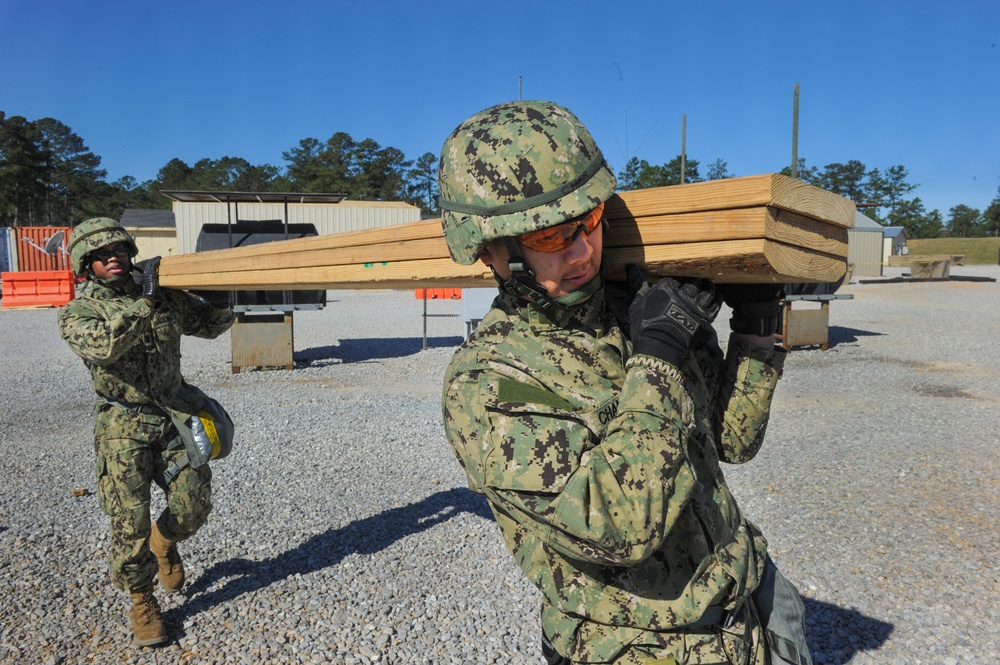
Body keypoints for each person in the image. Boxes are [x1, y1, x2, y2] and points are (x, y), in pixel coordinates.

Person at [438, 101, 812, 665]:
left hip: (752, 604)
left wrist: (756, 329)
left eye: (590, 221)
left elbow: (733, 441)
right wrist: (657, 359)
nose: (585, 250)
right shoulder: (487, 383)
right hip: (641, 648)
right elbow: (619, 527)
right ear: (491, 249)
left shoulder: (635, 310)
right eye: (552, 237)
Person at [58, 217, 235, 647]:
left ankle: (165, 541)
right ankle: (142, 600)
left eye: (117, 250)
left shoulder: (162, 294)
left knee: (194, 505)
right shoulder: (79, 312)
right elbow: (105, 346)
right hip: (123, 426)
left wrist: (222, 297)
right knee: (128, 522)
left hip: (174, 414)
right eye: (100, 255)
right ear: (86, 265)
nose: (112, 258)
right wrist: (148, 303)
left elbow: (210, 326)